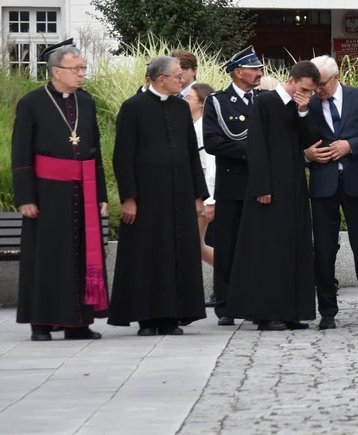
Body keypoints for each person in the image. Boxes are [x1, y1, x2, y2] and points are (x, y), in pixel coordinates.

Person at [11, 39, 108, 341]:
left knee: (82, 256)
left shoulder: (87, 101)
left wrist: (101, 194)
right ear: (55, 71)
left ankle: (78, 323)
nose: (81, 74)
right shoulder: (32, 102)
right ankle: (41, 323)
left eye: (83, 68)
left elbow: (95, 150)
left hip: (83, 189)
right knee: (47, 257)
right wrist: (25, 197)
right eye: (75, 69)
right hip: (48, 192)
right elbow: (20, 152)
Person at [109, 56, 208, 336]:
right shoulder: (132, 108)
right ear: (161, 79)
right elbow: (123, 156)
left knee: (177, 253)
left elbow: (191, 152)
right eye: (177, 75)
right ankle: (148, 318)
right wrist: (129, 197)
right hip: (147, 198)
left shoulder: (179, 107)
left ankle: (174, 315)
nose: (182, 79)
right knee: (148, 255)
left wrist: (198, 195)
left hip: (179, 194)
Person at [224, 61, 322, 331]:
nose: (305, 95)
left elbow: (311, 140)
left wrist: (303, 111)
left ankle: (292, 311)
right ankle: (266, 313)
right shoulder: (265, 102)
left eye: (311, 92)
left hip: (294, 187)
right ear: (291, 80)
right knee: (269, 251)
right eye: (302, 89)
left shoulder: (301, 106)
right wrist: (261, 187)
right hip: (269, 189)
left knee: (294, 247)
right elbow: (255, 147)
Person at [306, 55, 358, 329]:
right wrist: (306, 154)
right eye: (314, 85)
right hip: (323, 183)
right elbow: (296, 137)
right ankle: (327, 311)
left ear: (336, 77)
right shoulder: (308, 104)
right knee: (324, 249)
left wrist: (350, 146)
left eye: (322, 84)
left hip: (356, 181)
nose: (318, 89)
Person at [203, 46, 264, 327]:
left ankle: (254, 302)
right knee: (227, 247)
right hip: (232, 183)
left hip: (261, 183)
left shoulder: (264, 99)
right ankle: (226, 305)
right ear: (238, 72)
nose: (259, 73)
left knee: (256, 246)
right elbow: (213, 142)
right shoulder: (217, 101)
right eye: (254, 69)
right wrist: (251, 151)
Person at [186, 82, 216, 266]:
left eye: (189, 97)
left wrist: (209, 200)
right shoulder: (192, 125)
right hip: (193, 192)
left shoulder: (204, 128)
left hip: (203, 193)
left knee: (195, 245)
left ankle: (237, 277)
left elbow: (212, 163)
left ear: (202, 103)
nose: (184, 100)